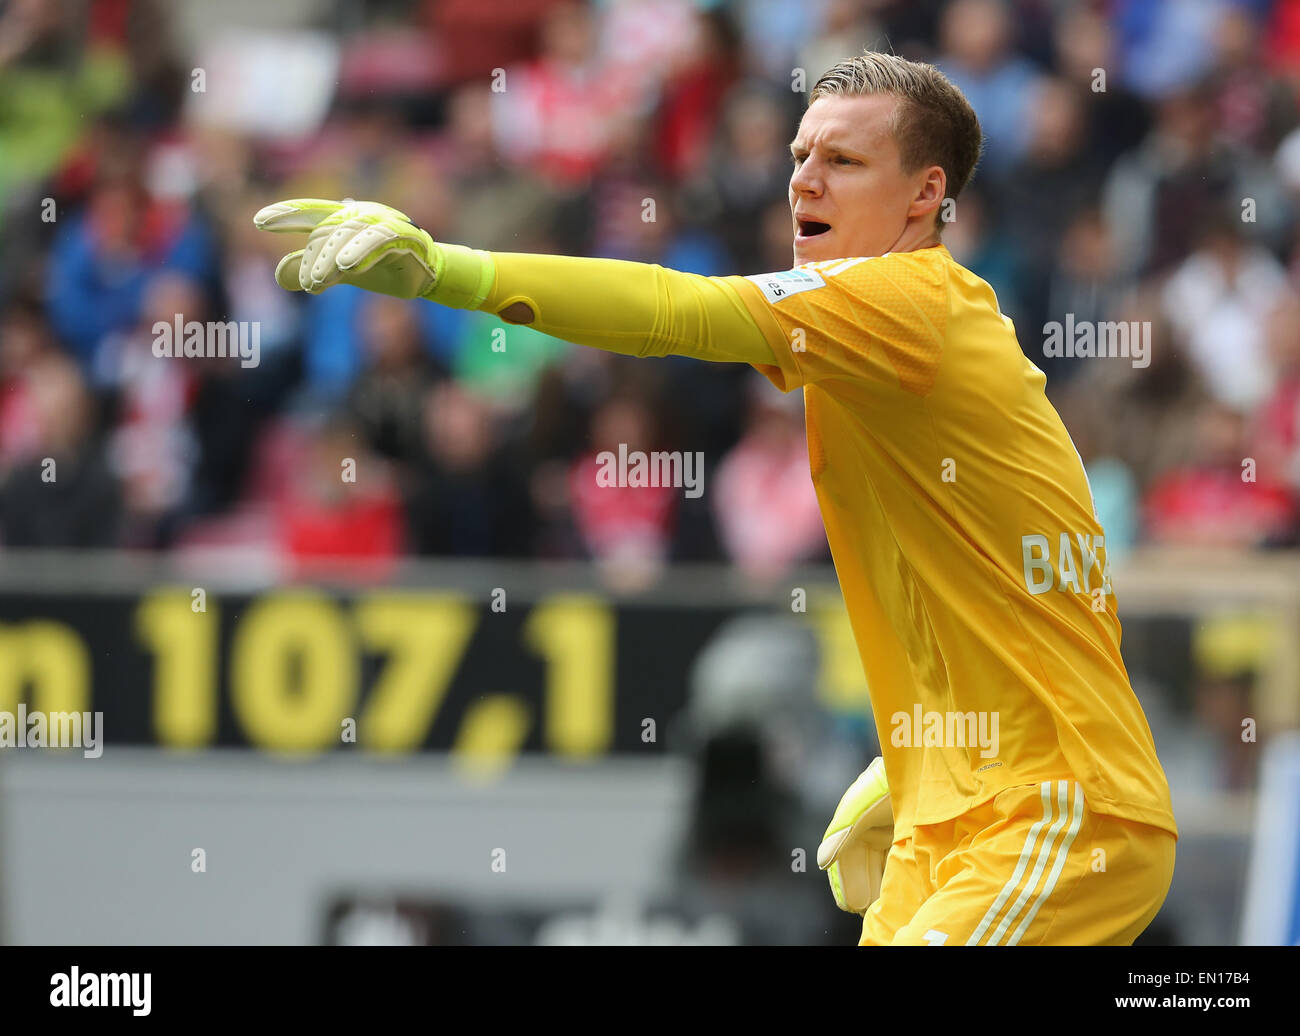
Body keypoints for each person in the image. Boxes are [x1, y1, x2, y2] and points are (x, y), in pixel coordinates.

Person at [255, 51, 1177, 946]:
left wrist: (448, 272)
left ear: (925, 195)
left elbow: (678, 310)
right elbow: (1034, 574)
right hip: (966, 813)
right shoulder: (905, 340)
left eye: (843, 161)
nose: (805, 182)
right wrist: (925, 755)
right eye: (800, 156)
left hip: (1052, 809)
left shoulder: (907, 306)